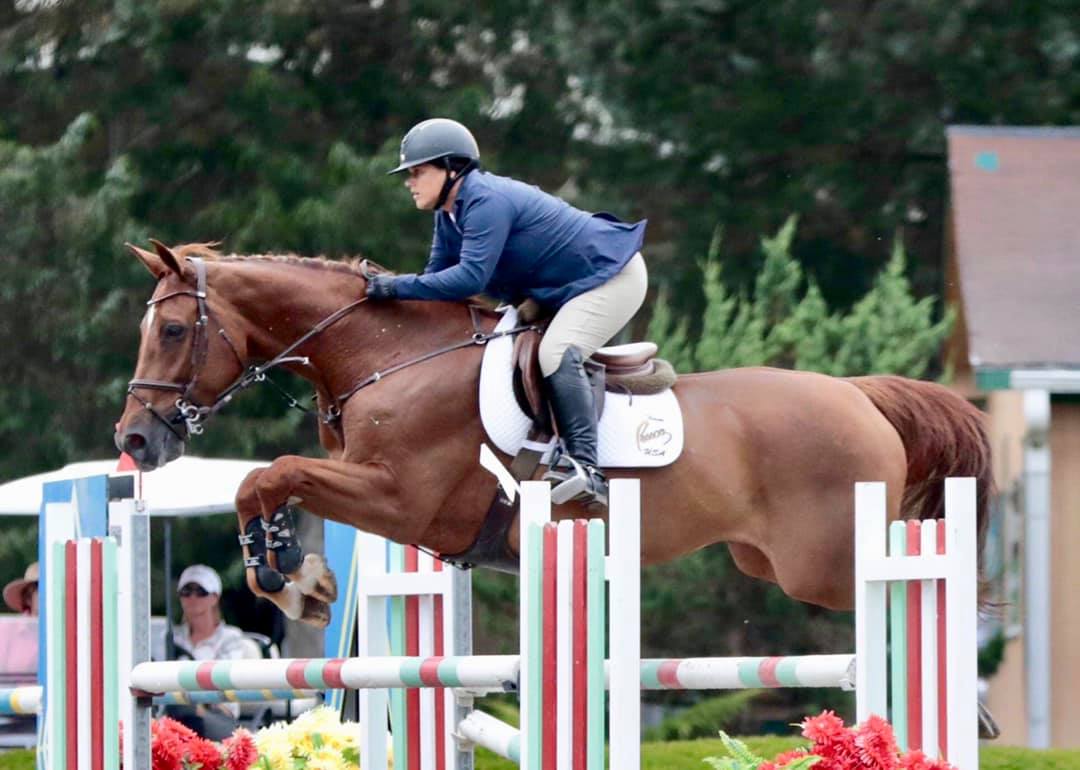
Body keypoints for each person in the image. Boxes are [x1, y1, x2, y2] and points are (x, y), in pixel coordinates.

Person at [369, 118, 649, 507]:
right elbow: (434, 284)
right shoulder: (448, 216)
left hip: (610, 277)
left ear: (452, 168)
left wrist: (394, 285)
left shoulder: (486, 202)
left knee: (556, 352)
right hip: (558, 289)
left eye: (418, 172)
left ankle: (586, 467)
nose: (409, 182)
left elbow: (469, 278)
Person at [165, 564, 261, 740]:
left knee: (183, 711)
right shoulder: (171, 638)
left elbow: (221, 683)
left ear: (214, 597)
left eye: (200, 592)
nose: (192, 598)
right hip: (176, 711)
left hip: (220, 716)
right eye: (186, 592)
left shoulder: (231, 638)